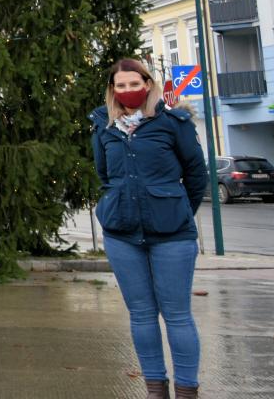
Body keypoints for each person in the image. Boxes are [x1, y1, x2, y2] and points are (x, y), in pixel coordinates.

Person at [89, 59, 206, 399]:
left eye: (134, 83)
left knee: (177, 315)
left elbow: (196, 174)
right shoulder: (104, 127)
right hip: (122, 235)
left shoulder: (173, 122)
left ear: (148, 82)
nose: (128, 91)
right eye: (120, 86)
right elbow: (104, 175)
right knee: (141, 316)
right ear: (113, 90)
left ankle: (187, 390)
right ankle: (156, 389)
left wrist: (177, 209)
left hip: (172, 235)